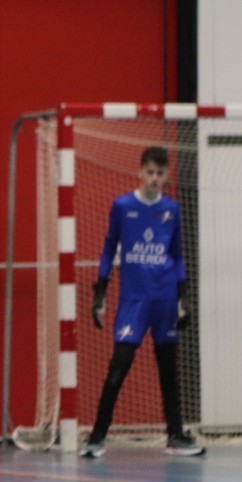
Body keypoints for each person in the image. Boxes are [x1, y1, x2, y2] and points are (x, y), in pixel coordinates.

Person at [81, 145, 205, 458]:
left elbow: (177, 255)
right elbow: (109, 248)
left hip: (164, 300)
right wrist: (101, 291)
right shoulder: (122, 206)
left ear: (166, 175)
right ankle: (96, 437)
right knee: (118, 365)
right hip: (133, 301)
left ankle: (175, 436)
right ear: (140, 171)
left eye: (160, 173)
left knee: (169, 371)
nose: (154, 178)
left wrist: (183, 297)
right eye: (150, 172)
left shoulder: (172, 209)